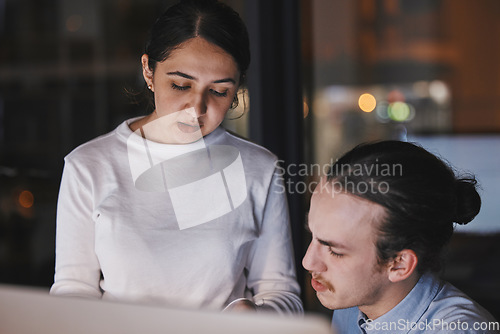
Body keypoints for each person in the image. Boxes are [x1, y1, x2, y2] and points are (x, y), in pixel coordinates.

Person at [50, 0, 302, 314]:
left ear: (237, 88)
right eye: (180, 85)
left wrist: (253, 314)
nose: (196, 108)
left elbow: (284, 297)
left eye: (220, 91)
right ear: (148, 71)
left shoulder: (258, 169)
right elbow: (73, 292)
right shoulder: (89, 166)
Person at [303, 141, 499, 333]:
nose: (308, 262)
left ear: (399, 264)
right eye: (312, 234)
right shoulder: (352, 305)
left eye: (335, 251)